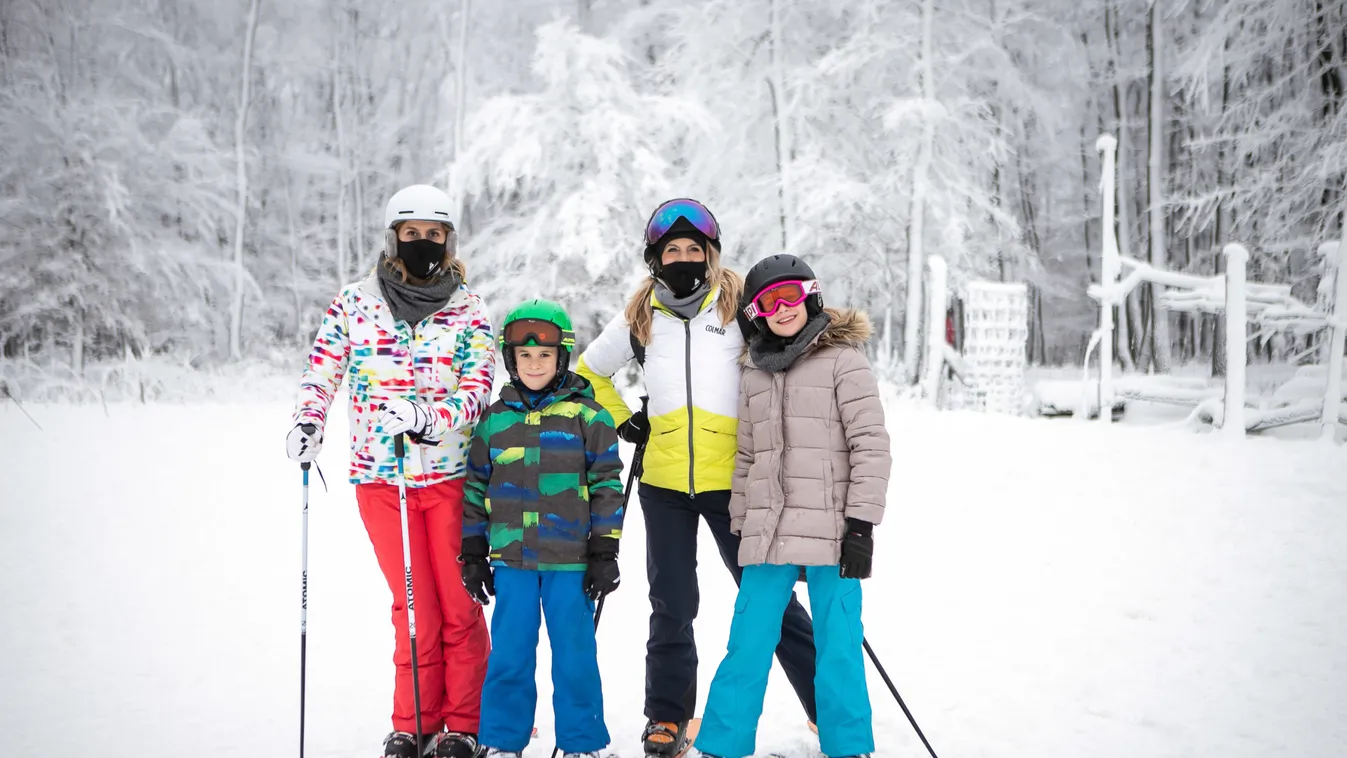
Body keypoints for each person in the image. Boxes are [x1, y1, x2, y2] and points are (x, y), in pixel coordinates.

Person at [575, 199, 819, 756]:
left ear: (710, 255)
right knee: (672, 601)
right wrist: (623, 418)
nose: (683, 258)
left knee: (769, 596)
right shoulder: (640, 314)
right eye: (672, 251)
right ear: (655, 258)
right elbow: (589, 371)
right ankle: (668, 717)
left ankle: (823, 703)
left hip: (734, 478)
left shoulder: (736, 306)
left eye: (694, 250)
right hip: (663, 483)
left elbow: (787, 350)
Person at [286, 184, 494, 758]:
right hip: (382, 480)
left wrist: (430, 416)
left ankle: (465, 723)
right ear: (393, 237)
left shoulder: (469, 310)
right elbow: (320, 372)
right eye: (412, 233)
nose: (423, 243)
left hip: (452, 480)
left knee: (457, 604)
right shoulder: (354, 303)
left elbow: (478, 391)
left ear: (448, 241)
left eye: (434, 234)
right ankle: (414, 721)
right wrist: (309, 423)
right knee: (412, 605)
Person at [693, 254, 891, 758]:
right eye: (767, 302)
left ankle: (848, 746)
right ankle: (723, 744)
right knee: (749, 643)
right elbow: (748, 456)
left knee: (839, 646)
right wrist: (742, 522)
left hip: (835, 533)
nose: (781, 309)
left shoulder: (844, 360)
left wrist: (862, 527)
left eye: (790, 296)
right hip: (769, 534)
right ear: (756, 313)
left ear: (811, 295)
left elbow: (871, 444)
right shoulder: (755, 374)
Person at [459, 299, 625, 758]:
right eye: (525, 356)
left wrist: (604, 551)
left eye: (545, 356)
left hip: (570, 563)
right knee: (509, 655)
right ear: (511, 359)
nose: (535, 364)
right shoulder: (493, 420)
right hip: (511, 561)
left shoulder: (588, 417)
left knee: (574, 658)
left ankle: (583, 742)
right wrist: (473, 553)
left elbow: (608, 486)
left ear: (562, 357)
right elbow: (475, 488)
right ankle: (501, 740)